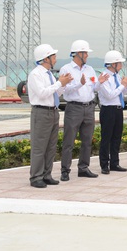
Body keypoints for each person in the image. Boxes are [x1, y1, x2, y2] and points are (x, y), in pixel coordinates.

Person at [27, 44, 72, 188]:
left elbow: (55, 93)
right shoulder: (36, 74)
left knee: (51, 146)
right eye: (53, 56)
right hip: (41, 112)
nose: (55, 59)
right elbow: (42, 93)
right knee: (39, 146)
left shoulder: (49, 74)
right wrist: (59, 82)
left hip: (53, 111)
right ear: (46, 58)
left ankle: (46, 174)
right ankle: (36, 177)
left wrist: (63, 84)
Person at [59, 40, 99, 181]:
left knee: (87, 140)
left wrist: (101, 83)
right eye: (85, 52)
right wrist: (79, 84)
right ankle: (65, 170)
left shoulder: (90, 70)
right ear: (78, 54)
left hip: (89, 107)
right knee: (69, 140)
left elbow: (94, 86)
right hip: (74, 108)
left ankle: (83, 168)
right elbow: (64, 90)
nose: (87, 55)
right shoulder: (66, 69)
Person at [96, 50, 127, 174]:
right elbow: (110, 95)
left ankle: (115, 163)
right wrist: (122, 85)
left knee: (117, 137)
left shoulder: (116, 76)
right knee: (107, 138)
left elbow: (123, 93)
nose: (121, 65)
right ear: (113, 64)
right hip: (108, 109)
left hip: (117, 109)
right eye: (119, 63)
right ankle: (104, 164)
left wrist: (125, 85)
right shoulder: (104, 77)